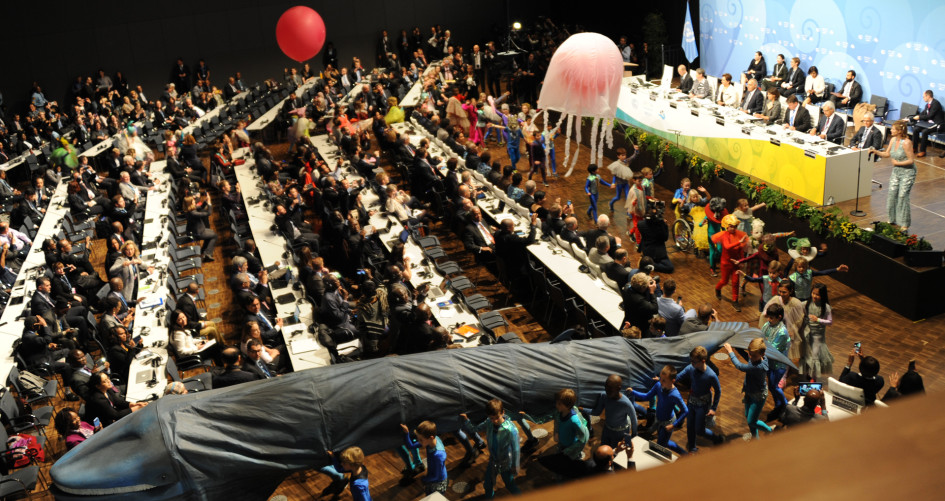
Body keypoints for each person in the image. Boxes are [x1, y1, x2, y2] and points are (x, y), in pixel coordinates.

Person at [461, 400, 522, 497]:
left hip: (506, 463)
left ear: (502, 412)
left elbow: (516, 449)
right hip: (493, 461)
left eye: (497, 417)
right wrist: (466, 420)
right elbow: (475, 429)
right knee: (487, 485)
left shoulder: (510, 430)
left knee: (510, 485)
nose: (495, 421)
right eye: (491, 418)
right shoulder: (489, 422)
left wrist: (515, 465)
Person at [629, 365, 688, 454]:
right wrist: (633, 392)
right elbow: (646, 396)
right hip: (659, 418)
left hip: (668, 423)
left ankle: (684, 454)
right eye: (660, 378)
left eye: (664, 380)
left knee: (661, 445)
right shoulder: (658, 385)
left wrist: (674, 425)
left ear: (673, 381)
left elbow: (685, 411)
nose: (661, 381)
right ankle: (684, 454)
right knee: (663, 443)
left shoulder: (675, 394)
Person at [870, 120, 916, 231]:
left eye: (893, 129)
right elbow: (887, 154)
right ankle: (892, 218)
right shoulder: (893, 140)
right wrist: (875, 151)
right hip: (896, 171)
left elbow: (911, 160)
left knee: (902, 196)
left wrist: (897, 163)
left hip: (907, 172)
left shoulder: (906, 143)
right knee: (892, 194)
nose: (891, 130)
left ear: (900, 131)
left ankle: (904, 223)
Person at [723, 339, 774, 439]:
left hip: (758, 396)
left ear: (762, 354)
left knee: (751, 421)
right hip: (750, 392)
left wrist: (730, 351)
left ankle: (769, 430)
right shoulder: (757, 358)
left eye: (753, 355)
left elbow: (739, 365)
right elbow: (748, 357)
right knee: (748, 416)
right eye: (750, 354)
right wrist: (737, 347)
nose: (750, 357)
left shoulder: (758, 367)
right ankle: (756, 438)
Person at [676, 347, 722, 452]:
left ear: (703, 361)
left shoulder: (711, 375)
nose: (691, 363)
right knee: (689, 426)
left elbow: (718, 391)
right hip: (691, 402)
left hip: (703, 404)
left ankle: (717, 438)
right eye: (691, 361)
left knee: (699, 430)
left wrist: (714, 408)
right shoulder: (691, 368)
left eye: (694, 362)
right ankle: (692, 448)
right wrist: (663, 380)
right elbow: (677, 377)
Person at [538, 388, 589, 478]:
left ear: (567, 406)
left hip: (570, 449)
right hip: (562, 445)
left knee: (569, 468)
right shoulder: (559, 412)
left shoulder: (574, 420)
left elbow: (584, 437)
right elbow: (552, 419)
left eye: (559, 404)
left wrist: (570, 450)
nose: (556, 405)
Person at [583, 375, 638, 449]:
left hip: (621, 433)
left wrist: (634, 436)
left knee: (616, 453)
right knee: (603, 449)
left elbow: (634, 420)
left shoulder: (626, 404)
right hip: (607, 429)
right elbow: (596, 412)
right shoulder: (604, 396)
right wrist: (583, 409)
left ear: (619, 388)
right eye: (606, 389)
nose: (607, 392)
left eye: (610, 390)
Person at [761, 303, 791, 420]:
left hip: (778, 365)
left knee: (774, 386)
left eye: (771, 318)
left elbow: (772, 349)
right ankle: (779, 406)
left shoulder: (782, 332)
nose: (769, 320)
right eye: (768, 317)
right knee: (772, 386)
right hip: (769, 362)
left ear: (779, 317)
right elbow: (761, 338)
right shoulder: (767, 325)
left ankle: (784, 405)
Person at [399, 421, 448, 494]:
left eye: (421, 440)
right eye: (418, 439)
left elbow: (437, 476)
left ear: (431, 438)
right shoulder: (431, 440)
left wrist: (424, 479)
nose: (419, 442)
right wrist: (406, 433)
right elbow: (411, 446)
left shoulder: (438, 455)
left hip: (438, 483)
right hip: (432, 475)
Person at [712, 214, 748, 311]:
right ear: (726, 226)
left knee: (736, 282)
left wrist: (742, 260)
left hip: (735, 264)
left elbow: (740, 249)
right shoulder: (725, 236)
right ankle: (718, 289)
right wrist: (739, 242)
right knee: (724, 281)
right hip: (726, 263)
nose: (733, 228)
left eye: (735, 226)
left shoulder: (738, 235)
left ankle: (735, 301)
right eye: (731, 226)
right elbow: (727, 246)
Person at [638, 201, 673, 273]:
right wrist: (665, 225)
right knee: (670, 268)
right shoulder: (660, 225)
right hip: (659, 254)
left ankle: (646, 262)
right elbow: (665, 238)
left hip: (647, 251)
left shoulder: (640, 224)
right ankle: (652, 265)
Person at [910, 90, 944, 158]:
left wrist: (919, 117)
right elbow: (923, 114)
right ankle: (914, 148)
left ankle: (923, 151)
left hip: (937, 124)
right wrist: (912, 118)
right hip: (929, 124)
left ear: (928, 96)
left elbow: (930, 116)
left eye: (924, 97)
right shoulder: (927, 105)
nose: (923, 98)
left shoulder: (936, 104)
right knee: (916, 129)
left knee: (925, 132)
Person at [183, 194, 217, 261]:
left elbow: (200, 207)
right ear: (190, 203)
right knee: (214, 236)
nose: (194, 201)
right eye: (193, 200)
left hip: (198, 230)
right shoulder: (193, 213)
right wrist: (209, 203)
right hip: (199, 233)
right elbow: (208, 213)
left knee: (212, 233)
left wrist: (205, 201)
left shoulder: (189, 209)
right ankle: (207, 253)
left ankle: (204, 251)